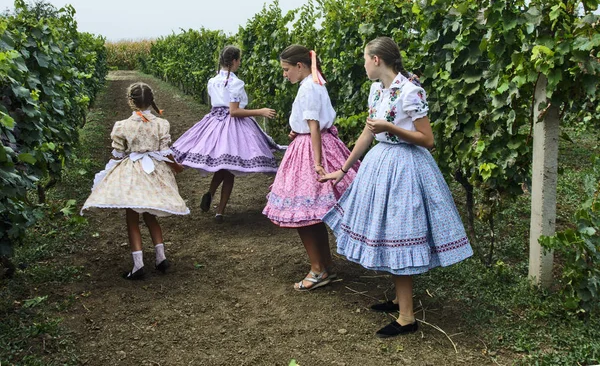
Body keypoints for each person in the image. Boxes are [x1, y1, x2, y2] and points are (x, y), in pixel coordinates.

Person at [320, 37, 473, 337]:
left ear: (377, 60)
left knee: (401, 232)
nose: (364, 64)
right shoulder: (377, 89)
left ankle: (407, 318)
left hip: (406, 168)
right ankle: (397, 300)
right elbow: (368, 131)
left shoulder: (410, 91)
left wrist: (391, 128)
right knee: (390, 232)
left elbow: (428, 139)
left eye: (365, 59)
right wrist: (342, 169)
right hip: (381, 164)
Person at [263, 45, 359, 291]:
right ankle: (324, 265)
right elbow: (311, 122)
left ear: (299, 66)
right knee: (314, 213)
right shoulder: (316, 83)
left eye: (286, 70)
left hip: (309, 150)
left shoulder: (308, 88)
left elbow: (314, 127)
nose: (285, 75)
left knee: (303, 214)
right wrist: (297, 127)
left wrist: (317, 163)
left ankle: (318, 270)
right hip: (317, 142)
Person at [81, 82, 189, 280]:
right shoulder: (160, 124)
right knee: (150, 215)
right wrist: (176, 167)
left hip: (133, 173)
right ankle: (160, 258)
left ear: (131, 101)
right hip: (155, 172)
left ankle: (138, 264)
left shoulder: (122, 126)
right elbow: (165, 152)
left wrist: (110, 172)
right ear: (151, 100)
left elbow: (119, 153)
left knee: (132, 217)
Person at [171, 45, 284, 222]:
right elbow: (234, 111)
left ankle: (210, 193)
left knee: (223, 165)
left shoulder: (212, 81)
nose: (239, 63)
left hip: (214, 122)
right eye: (239, 60)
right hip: (232, 126)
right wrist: (260, 111)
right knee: (230, 168)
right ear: (233, 61)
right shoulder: (236, 83)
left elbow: (216, 105)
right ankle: (220, 211)